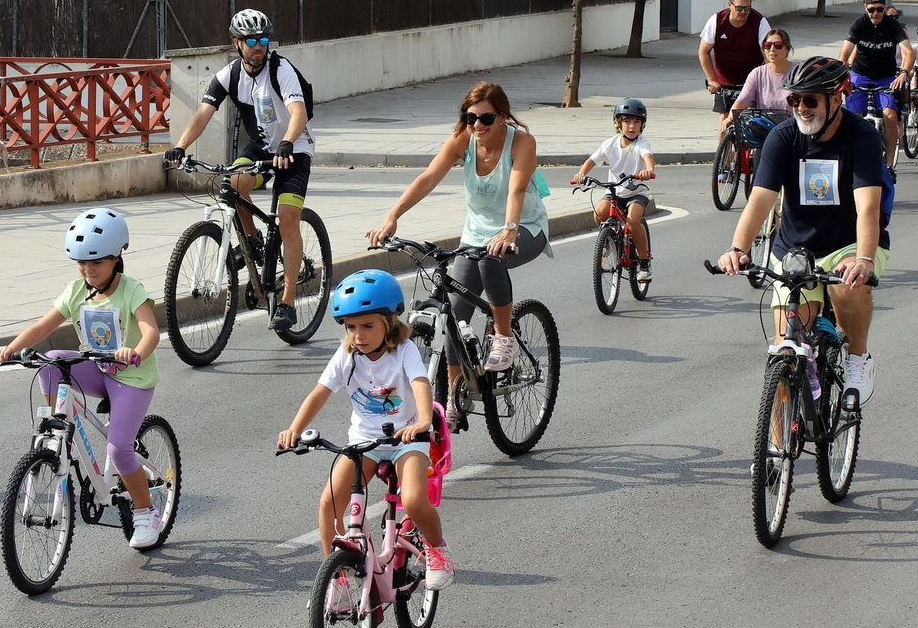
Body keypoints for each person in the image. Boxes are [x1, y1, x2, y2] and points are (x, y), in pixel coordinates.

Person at [715, 56, 886, 406]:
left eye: (810, 100)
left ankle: (858, 360)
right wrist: (737, 248)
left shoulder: (862, 136)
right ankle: (780, 438)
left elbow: (868, 207)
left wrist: (864, 259)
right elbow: (760, 200)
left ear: (836, 99)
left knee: (846, 287)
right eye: (794, 99)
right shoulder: (782, 137)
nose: (801, 108)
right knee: (785, 351)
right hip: (795, 249)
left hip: (849, 244)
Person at [0, 208, 166, 550]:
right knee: (52, 361)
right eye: (81, 263)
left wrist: (134, 352)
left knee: (118, 450)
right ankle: (58, 429)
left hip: (132, 377)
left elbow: (151, 332)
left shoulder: (131, 290)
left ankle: (146, 512)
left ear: (117, 257)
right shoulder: (76, 291)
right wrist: (11, 348)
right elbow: (42, 327)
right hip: (98, 370)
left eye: (96, 262)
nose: (88, 270)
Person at [279, 270, 453, 591]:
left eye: (368, 326)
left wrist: (423, 421)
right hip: (365, 442)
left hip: (406, 439)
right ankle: (338, 581)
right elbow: (319, 393)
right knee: (329, 503)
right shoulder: (347, 355)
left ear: (389, 322)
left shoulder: (404, 351)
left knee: (414, 500)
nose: (358, 335)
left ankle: (438, 551)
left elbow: (420, 383)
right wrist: (294, 429)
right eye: (351, 327)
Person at [367, 82, 551, 375]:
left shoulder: (522, 142)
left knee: (492, 259)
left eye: (486, 118)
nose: (477, 125)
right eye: (470, 117)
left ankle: (504, 338)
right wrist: (393, 215)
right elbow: (428, 178)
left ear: (502, 117)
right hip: (477, 233)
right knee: (455, 316)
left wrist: (509, 229)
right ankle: (452, 397)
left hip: (524, 227)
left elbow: (516, 191)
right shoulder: (463, 139)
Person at [167, 8, 315, 332]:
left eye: (263, 39)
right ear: (237, 43)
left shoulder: (281, 70)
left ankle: (288, 301)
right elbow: (203, 114)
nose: (258, 46)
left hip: (295, 148)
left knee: (288, 219)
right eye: (251, 41)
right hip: (262, 146)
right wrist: (180, 146)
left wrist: (287, 143)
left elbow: (299, 112)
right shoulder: (229, 75)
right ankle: (252, 240)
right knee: (232, 183)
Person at [570, 98, 656, 280]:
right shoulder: (610, 144)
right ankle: (609, 240)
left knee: (633, 222)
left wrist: (648, 170)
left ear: (642, 125)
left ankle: (643, 261)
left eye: (636, 122)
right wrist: (581, 174)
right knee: (599, 213)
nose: (631, 126)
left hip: (636, 192)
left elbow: (647, 156)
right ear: (618, 123)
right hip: (614, 191)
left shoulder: (641, 144)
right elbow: (593, 160)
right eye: (627, 121)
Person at [838, 0, 915, 166]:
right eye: (871, 9)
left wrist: (904, 72)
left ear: (884, 8)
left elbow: (909, 52)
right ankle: (854, 160)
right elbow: (845, 52)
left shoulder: (893, 26)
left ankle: (889, 165)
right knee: (854, 117)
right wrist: (843, 71)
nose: (875, 13)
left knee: (890, 116)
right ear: (865, 8)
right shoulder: (859, 24)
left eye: (879, 9)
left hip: (886, 78)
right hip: (860, 75)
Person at [699, 0, 772, 123]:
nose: (743, 12)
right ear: (730, 5)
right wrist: (712, 80)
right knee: (724, 119)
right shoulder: (717, 20)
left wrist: (770, 78)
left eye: (747, 8)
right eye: (739, 8)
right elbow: (703, 52)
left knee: (752, 121)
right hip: (725, 82)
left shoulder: (759, 22)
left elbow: (769, 53)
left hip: (752, 80)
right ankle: (723, 138)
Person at [726, 28, 795, 140]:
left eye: (778, 45)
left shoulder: (797, 73)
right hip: (764, 128)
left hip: (791, 129)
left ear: (787, 48)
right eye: (768, 45)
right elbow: (742, 100)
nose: (772, 49)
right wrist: (729, 118)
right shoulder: (757, 73)